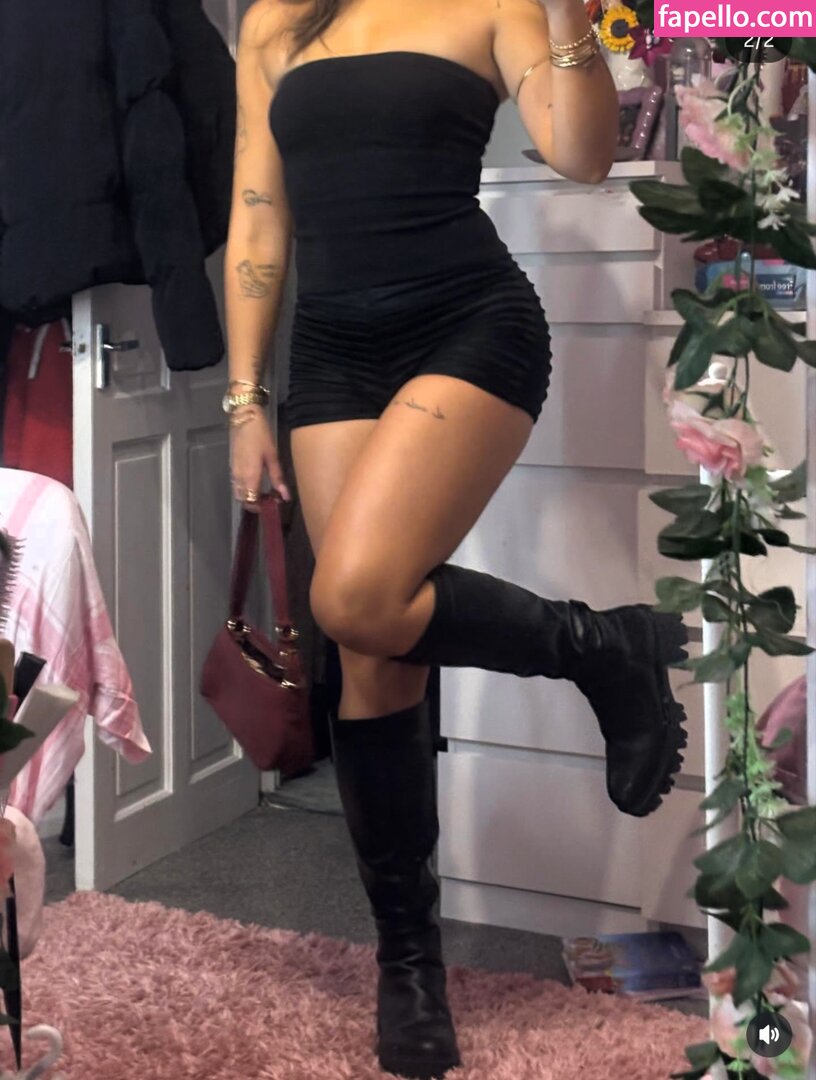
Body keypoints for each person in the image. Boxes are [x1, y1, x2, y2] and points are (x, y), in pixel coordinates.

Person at [224, 2, 688, 1076]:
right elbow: (258, 213)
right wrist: (244, 397)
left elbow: (581, 154)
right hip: (332, 348)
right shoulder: (277, 22)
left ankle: (600, 647)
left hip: (468, 321)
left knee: (353, 595)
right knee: (371, 652)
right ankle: (410, 966)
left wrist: (568, 12)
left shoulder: (495, 2)